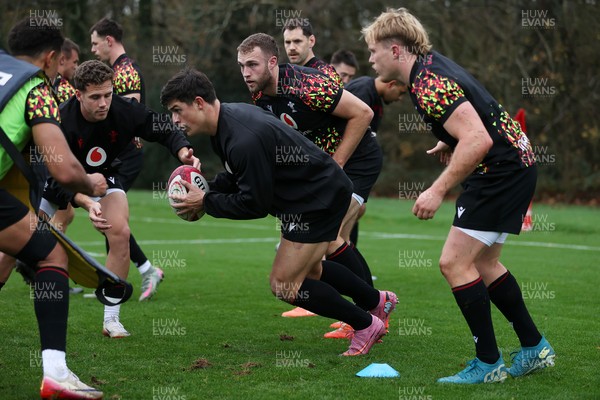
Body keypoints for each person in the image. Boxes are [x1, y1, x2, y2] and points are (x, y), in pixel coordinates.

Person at [362, 7, 555, 383]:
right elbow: (473, 115)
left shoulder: (428, 82)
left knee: (453, 263)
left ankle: (488, 364)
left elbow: (479, 139)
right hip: (516, 161)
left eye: (374, 50)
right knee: (483, 264)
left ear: (396, 49)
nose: (371, 59)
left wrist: (437, 189)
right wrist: (448, 139)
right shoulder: (429, 68)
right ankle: (533, 347)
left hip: (500, 171)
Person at [160, 67, 397, 356]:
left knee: (284, 285)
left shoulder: (241, 137)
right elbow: (240, 177)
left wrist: (205, 202)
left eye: (177, 110)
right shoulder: (227, 123)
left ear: (199, 103)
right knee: (312, 270)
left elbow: (254, 203)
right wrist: (208, 187)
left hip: (315, 201)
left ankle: (365, 324)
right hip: (317, 194)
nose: (174, 121)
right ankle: (376, 300)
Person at [237, 33, 390, 338]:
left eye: (252, 64)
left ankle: (370, 313)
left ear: (271, 62)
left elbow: (363, 113)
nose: (245, 73)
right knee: (313, 261)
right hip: (323, 168)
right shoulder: (260, 93)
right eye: (241, 66)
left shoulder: (308, 84)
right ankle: (374, 307)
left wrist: (337, 164)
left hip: (357, 159)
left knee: (331, 238)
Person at [40, 60, 199, 338]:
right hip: (59, 180)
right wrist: (88, 203)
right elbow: (55, 178)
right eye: (95, 97)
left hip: (104, 178)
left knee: (120, 233)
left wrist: (183, 149)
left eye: (108, 94)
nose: (104, 103)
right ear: (78, 95)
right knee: (16, 240)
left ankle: (111, 319)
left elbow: (159, 126)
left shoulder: (124, 110)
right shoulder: (60, 121)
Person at [0, 18, 107, 399]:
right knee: (51, 256)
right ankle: (56, 374)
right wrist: (89, 184)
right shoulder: (34, 88)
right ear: (49, 59)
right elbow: (61, 167)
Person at [89, 17, 164, 301]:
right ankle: (123, 277)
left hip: (126, 155)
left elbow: (128, 121)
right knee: (109, 218)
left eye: (96, 43)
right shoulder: (115, 71)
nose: (93, 49)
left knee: (111, 218)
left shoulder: (126, 72)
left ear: (109, 40)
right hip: (117, 157)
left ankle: (131, 276)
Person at [345, 75, 407, 245]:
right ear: (392, 83)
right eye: (401, 93)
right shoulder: (362, 90)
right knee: (336, 233)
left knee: (351, 220)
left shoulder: (376, 99)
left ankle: (346, 266)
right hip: (349, 168)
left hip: (358, 169)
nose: (400, 98)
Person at [282, 20, 342, 85]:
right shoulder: (285, 75)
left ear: (311, 41)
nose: (292, 48)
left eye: (297, 41)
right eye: (287, 42)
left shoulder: (325, 74)